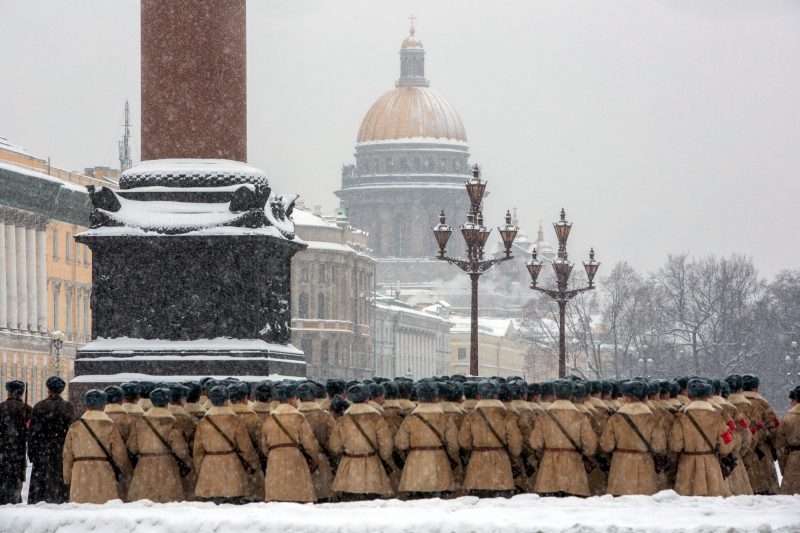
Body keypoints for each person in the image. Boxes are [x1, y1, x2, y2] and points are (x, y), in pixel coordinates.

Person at [63, 389, 133, 503]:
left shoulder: (75, 427)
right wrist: (126, 472)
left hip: (80, 472)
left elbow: (67, 455)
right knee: (104, 510)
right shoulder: (109, 426)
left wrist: (67, 477)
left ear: (86, 405)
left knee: (81, 510)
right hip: (104, 471)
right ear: (103, 406)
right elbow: (119, 454)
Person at [530, 379, 597, 497]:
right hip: (574, 469)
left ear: (555, 395)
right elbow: (591, 446)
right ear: (571, 396)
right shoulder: (580, 417)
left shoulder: (544, 417)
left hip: (549, 470)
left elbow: (535, 443)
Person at [193, 385, 260, 504]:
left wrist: (200, 470)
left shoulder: (203, 422)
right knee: (232, 507)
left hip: (209, 468)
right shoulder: (234, 421)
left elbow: (197, 451)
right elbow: (246, 448)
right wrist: (254, 464)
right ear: (226, 400)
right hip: (232, 468)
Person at [669, 378, 735, 496]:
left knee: (687, 504)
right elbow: (726, 445)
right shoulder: (717, 418)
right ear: (708, 396)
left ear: (689, 396)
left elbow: (675, 445)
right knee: (713, 502)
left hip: (687, 467)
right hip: (711, 466)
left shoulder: (681, 418)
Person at [393, 380, 459, 499]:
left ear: (419, 398)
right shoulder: (444, 418)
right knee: (440, 502)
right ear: (436, 398)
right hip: (440, 463)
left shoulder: (411, 418)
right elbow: (453, 445)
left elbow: (400, 443)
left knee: (416, 503)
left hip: (415, 464)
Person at [329, 383, 394, 501]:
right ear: (367, 398)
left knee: (349, 506)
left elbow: (334, 446)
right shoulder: (376, 417)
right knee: (372, 504)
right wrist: (383, 457)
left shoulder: (342, 420)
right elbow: (386, 445)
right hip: (372, 466)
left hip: (348, 468)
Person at [599, 380, 666, 496]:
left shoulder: (616, 419)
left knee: (621, 505)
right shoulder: (653, 419)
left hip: (620, 468)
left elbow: (606, 446)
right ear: (645, 398)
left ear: (625, 398)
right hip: (645, 467)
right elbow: (659, 447)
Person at [458, 380, 522, 498]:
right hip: (501, 465)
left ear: (480, 395)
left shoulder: (471, 415)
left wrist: (475, 449)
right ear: (497, 395)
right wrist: (512, 453)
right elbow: (516, 443)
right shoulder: (506, 415)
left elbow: (463, 441)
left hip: (476, 465)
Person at [127, 387, 192, 503]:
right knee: (168, 502)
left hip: (144, 466)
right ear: (168, 402)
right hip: (167, 465)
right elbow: (181, 450)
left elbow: (132, 447)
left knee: (143, 503)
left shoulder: (140, 421)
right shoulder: (172, 422)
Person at [260, 382, 320, 503]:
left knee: (276, 499)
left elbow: (264, 447)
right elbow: (310, 445)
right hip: (296, 460)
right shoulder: (298, 418)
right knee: (298, 498)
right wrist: (313, 459)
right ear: (290, 399)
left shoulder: (270, 419)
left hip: (274, 462)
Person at [27, 376, 75, 504]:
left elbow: (32, 433)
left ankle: (40, 503)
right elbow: (71, 432)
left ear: (48, 390)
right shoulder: (68, 407)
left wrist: (32, 453)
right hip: (60, 450)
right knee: (59, 481)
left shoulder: (39, 406)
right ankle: (58, 502)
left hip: (41, 451)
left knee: (40, 484)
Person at [296, 381, 336, 502]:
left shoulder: (294, 416)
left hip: (299, 462)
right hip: (321, 463)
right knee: (323, 502)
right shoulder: (324, 416)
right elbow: (333, 443)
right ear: (314, 395)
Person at [741, 374, 781, 495]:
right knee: (765, 493)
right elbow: (775, 431)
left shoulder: (735, 405)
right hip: (763, 456)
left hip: (742, 457)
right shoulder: (764, 405)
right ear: (756, 388)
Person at [0, 380, 32, 504]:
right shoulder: (27, 409)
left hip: (2, 452)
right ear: (21, 393)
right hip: (18, 453)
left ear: (9, 392)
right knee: (15, 485)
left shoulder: (1, 407)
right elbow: (31, 433)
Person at [775, 385, 800, 494]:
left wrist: (785, 468)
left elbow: (780, 447)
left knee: (790, 500)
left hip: (794, 462)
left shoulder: (788, 418)